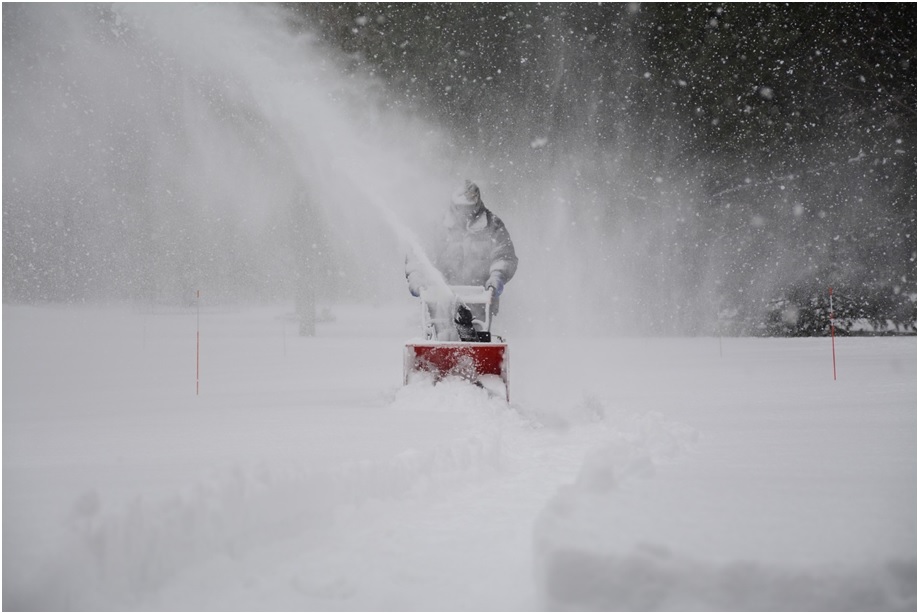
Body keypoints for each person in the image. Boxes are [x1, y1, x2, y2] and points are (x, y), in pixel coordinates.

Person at [406, 180, 518, 319]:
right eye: (461, 208)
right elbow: (419, 255)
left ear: (477, 205)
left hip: (481, 301)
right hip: (440, 300)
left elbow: (503, 255)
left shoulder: (492, 226)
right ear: (454, 205)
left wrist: (497, 277)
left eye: (470, 208)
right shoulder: (438, 226)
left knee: (478, 335)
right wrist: (416, 277)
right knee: (443, 334)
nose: (466, 213)